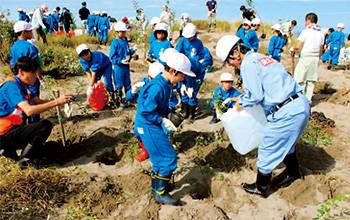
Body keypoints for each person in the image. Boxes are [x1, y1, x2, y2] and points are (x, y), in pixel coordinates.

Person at [216, 35, 310, 198]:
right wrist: (241, 98)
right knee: (288, 142)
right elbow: (266, 87)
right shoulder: (260, 58)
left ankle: (261, 187)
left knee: (267, 147)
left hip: (286, 111)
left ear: (236, 53)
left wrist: (241, 103)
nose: (230, 65)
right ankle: (293, 173)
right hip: (299, 104)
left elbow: (255, 96)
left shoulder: (247, 65)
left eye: (229, 61)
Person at [134, 49, 195, 205]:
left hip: (151, 123)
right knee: (168, 159)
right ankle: (160, 193)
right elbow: (145, 111)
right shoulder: (157, 87)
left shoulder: (166, 84)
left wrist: (168, 114)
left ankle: (157, 187)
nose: (183, 79)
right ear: (173, 71)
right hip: (148, 125)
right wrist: (162, 120)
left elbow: (160, 106)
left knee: (159, 159)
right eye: (182, 75)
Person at [0, 57, 74, 169]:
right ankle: (25, 161)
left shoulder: (22, 85)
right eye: (33, 72)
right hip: (3, 133)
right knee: (44, 126)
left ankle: (7, 150)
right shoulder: (12, 86)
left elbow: (38, 102)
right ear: (21, 72)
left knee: (31, 134)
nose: (36, 76)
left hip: (9, 130)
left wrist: (59, 101)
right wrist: (56, 102)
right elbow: (29, 111)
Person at [127, 63, 178, 162]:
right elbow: (128, 97)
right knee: (138, 131)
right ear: (149, 77)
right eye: (152, 79)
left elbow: (173, 100)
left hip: (159, 113)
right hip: (143, 113)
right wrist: (133, 91)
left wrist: (169, 107)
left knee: (167, 131)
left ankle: (167, 147)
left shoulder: (165, 85)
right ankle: (145, 150)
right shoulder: (144, 84)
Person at [290, 13, 324, 102]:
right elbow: (321, 48)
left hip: (306, 57)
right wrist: (319, 58)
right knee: (311, 80)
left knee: (300, 78)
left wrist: (292, 49)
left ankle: (300, 100)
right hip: (315, 57)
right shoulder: (321, 33)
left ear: (308, 20)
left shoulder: (306, 31)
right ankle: (308, 100)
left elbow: (298, 46)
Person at [9, 21, 46, 106]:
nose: (31, 33)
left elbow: (12, 63)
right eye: (29, 31)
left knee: (25, 101)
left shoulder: (14, 47)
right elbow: (35, 66)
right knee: (34, 100)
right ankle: (35, 119)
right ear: (23, 32)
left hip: (20, 77)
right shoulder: (30, 47)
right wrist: (40, 79)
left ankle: (26, 119)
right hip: (31, 77)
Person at [176, 23, 205, 120]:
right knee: (183, 91)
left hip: (195, 72)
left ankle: (192, 114)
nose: (188, 39)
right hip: (183, 69)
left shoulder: (198, 43)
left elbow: (201, 55)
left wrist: (192, 87)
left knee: (191, 93)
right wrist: (183, 83)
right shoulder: (182, 41)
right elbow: (177, 53)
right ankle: (185, 111)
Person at [76, 44, 115, 108]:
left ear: (89, 51)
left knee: (108, 83)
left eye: (86, 53)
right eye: (83, 55)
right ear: (80, 56)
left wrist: (90, 86)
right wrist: (91, 85)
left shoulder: (96, 56)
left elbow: (94, 72)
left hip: (106, 66)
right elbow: (88, 71)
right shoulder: (82, 60)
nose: (86, 56)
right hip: (98, 69)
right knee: (95, 85)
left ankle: (113, 101)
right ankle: (96, 101)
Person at [109, 22, 138, 108]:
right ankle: (119, 101)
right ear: (117, 32)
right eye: (122, 31)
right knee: (119, 84)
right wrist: (120, 61)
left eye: (124, 31)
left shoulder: (125, 42)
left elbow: (127, 52)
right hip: (118, 67)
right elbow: (112, 57)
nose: (124, 33)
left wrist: (132, 50)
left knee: (127, 84)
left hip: (126, 66)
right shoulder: (114, 43)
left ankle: (128, 100)